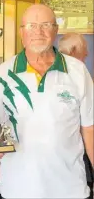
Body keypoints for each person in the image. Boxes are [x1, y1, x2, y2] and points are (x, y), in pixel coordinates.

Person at [0, 4, 94, 198]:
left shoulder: (77, 71)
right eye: (31, 25)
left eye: (45, 25)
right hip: (18, 188)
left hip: (69, 187)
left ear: (56, 30)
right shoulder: (4, 73)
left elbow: (89, 128)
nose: (38, 32)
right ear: (21, 32)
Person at [59, 32, 93, 199]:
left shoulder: (80, 72)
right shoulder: (77, 71)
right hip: (74, 159)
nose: (86, 53)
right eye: (84, 49)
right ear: (73, 50)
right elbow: (88, 125)